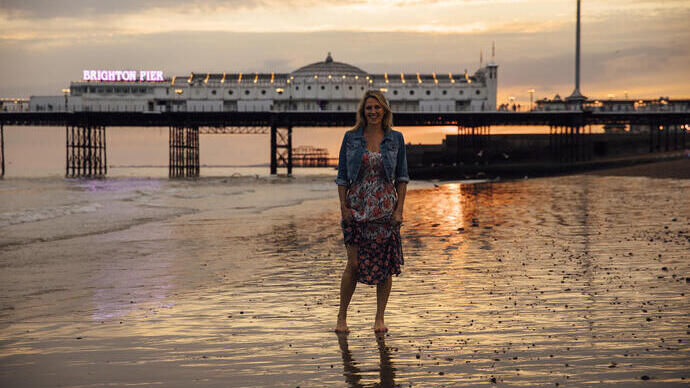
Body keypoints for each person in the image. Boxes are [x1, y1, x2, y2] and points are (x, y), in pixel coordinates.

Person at [334, 90, 409, 333]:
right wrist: (344, 207)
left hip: (385, 210)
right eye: (369, 108)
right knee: (353, 264)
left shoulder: (395, 139)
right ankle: (342, 318)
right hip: (356, 208)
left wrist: (399, 210)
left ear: (385, 110)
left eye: (377, 108)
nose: (373, 112)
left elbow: (402, 178)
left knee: (385, 266)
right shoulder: (351, 138)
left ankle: (379, 318)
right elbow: (343, 176)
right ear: (363, 111)